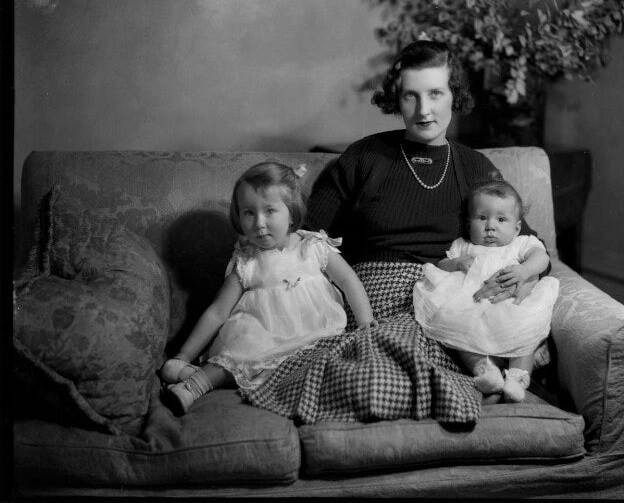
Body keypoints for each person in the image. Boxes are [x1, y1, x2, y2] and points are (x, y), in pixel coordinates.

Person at [244, 39, 551, 424]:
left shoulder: (475, 167)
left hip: (442, 296)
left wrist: (527, 275)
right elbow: (304, 237)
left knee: (411, 354)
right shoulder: (364, 157)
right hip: (369, 296)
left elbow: (529, 243)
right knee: (375, 363)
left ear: (454, 96)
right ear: (396, 100)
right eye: (411, 96)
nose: (424, 111)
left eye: (436, 93)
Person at [159, 161, 375, 416]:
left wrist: (366, 323)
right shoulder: (247, 261)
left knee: (328, 360)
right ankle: (192, 386)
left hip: (312, 334)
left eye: (270, 211)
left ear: (292, 213)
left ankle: (195, 375)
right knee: (241, 354)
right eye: (249, 213)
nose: (259, 223)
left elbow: (349, 281)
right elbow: (218, 312)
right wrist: (184, 353)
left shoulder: (313, 247)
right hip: (261, 333)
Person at [413, 179, 560, 403]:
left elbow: (541, 258)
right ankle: (486, 371)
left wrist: (524, 270)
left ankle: (518, 379)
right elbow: (442, 266)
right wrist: (456, 264)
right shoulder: (463, 246)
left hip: (510, 307)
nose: (490, 226)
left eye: (501, 219)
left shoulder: (520, 243)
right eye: (482, 218)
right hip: (470, 306)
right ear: (468, 222)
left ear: (517, 227)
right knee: (459, 332)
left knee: (524, 334)